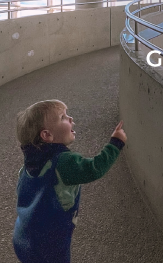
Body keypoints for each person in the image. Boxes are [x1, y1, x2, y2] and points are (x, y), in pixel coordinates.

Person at [12, 100, 127, 263]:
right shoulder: (63, 162)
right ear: (47, 135)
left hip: (23, 237)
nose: (71, 118)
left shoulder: (29, 164)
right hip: (49, 245)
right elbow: (93, 169)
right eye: (63, 117)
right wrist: (116, 143)